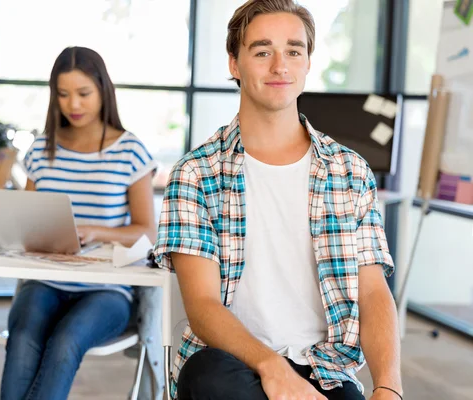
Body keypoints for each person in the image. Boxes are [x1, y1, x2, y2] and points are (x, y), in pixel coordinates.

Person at [154, 1, 403, 400]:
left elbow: (372, 291)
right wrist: (273, 369)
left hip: (325, 370)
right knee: (208, 377)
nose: (280, 66)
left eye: (293, 50)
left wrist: (389, 387)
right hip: (230, 364)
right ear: (234, 64)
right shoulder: (195, 174)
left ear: (307, 63)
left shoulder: (350, 171)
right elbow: (202, 306)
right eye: (262, 51)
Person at [0, 46, 158, 400]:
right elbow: (27, 219)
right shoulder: (42, 149)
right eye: (63, 94)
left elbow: (147, 231)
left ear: (104, 90)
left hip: (107, 288)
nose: (74, 104)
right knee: (23, 336)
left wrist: (93, 231)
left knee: (66, 340)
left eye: (84, 93)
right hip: (45, 279)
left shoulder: (130, 151)